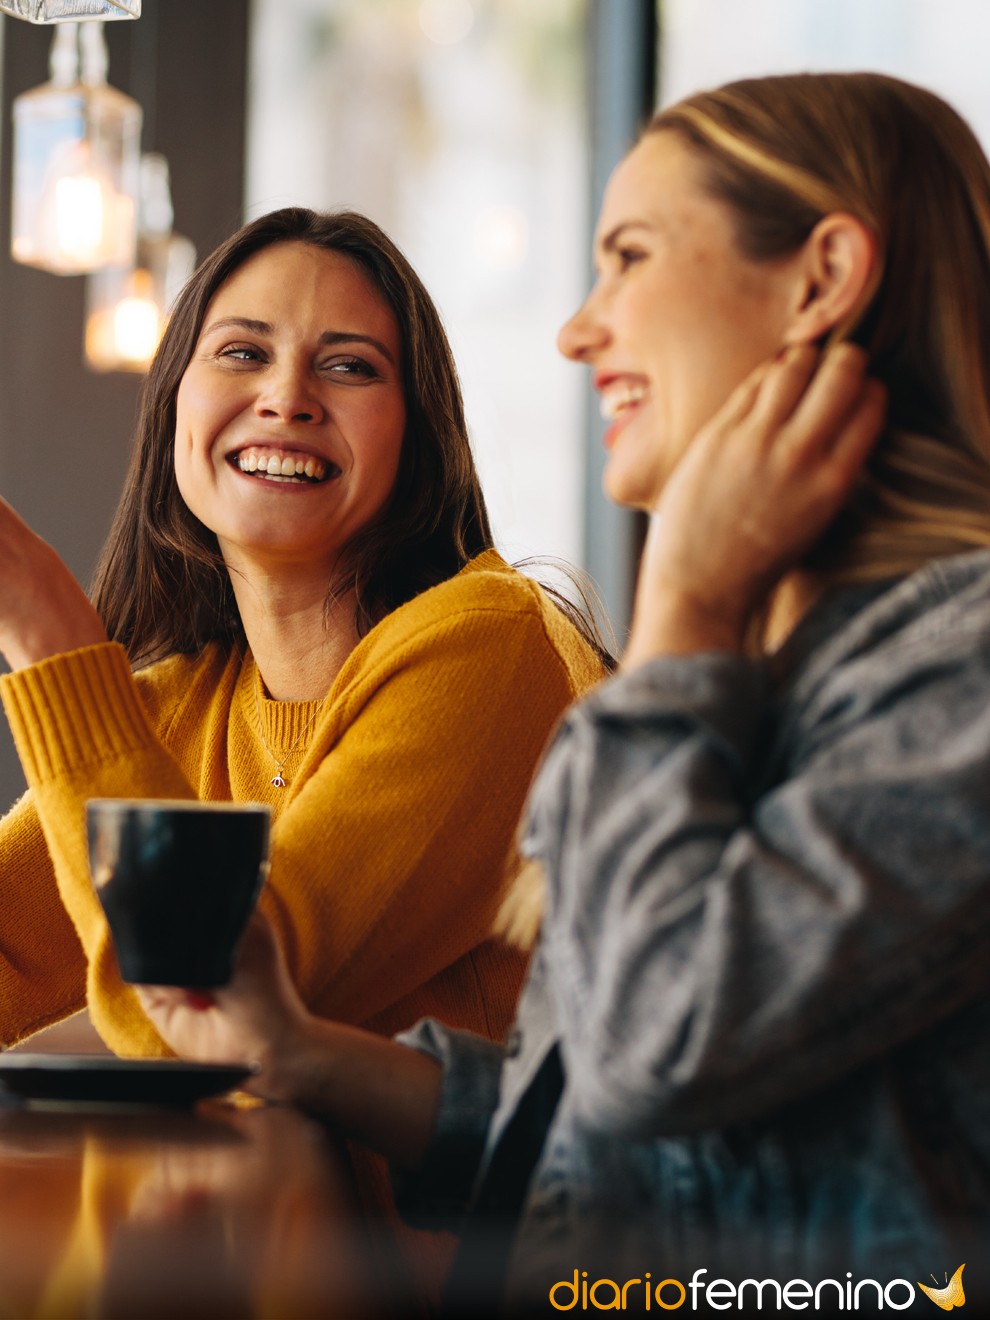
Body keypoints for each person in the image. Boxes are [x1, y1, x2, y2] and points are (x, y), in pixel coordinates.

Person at [138, 71, 990, 1315]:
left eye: (629, 258)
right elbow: (613, 1141)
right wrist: (305, 1056)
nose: (578, 331)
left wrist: (685, 607)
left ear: (822, 280)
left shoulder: (957, 670)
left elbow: (665, 1043)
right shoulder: (786, 672)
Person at [0, 206, 605, 1062]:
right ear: (174, 402)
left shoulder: (488, 647)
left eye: (350, 367)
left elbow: (208, 1014)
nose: (287, 398)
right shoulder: (190, 703)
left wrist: (48, 636)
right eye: (244, 353)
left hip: (488, 1203)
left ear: (417, 433)